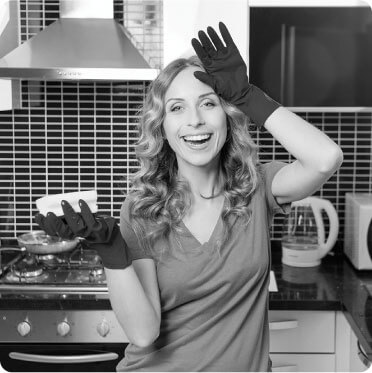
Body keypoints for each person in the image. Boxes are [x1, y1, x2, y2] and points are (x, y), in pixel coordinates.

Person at [35, 22, 343, 371]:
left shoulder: (257, 188)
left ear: (227, 118)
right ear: (163, 128)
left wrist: (249, 96)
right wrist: (113, 255)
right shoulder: (142, 209)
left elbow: (325, 158)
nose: (195, 120)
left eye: (208, 104)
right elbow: (143, 333)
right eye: (177, 108)